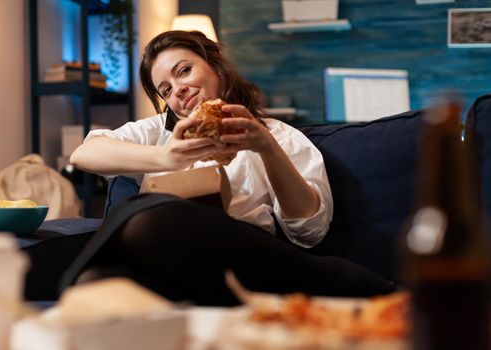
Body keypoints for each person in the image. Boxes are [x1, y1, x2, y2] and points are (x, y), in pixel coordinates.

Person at [68, 30, 395, 306]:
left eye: (183, 71)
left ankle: (333, 280)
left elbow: (309, 229)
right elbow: (85, 154)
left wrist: (265, 146)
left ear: (218, 69)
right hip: (171, 258)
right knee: (97, 279)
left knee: (150, 218)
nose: (178, 90)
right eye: (165, 90)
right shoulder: (159, 132)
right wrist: (169, 158)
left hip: (244, 250)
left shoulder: (275, 133)